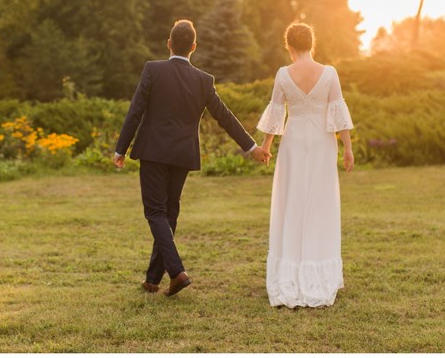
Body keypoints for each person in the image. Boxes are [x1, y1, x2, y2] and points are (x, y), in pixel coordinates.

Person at [113, 20, 270, 297]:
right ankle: (152, 279)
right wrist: (251, 147)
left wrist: (120, 149)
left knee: (155, 212)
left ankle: (177, 272)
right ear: (194, 47)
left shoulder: (153, 70)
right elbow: (224, 116)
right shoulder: (203, 80)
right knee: (169, 213)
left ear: (169, 43)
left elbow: (135, 110)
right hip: (182, 155)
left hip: (152, 151)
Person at [257, 22, 354, 308]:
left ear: (289, 46)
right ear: (312, 44)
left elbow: (276, 112)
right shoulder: (330, 73)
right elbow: (338, 112)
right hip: (323, 143)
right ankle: (318, 273)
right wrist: (347, 148)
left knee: (293, 202)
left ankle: (291, 273)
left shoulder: (283, 74)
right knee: (320, 203)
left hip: (294, 141)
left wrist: (265, 146)